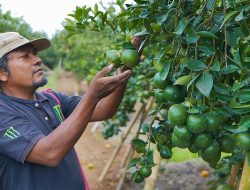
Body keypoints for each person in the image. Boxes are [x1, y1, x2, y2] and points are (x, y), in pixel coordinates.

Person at [0, 32, 137, 190]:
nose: (38, 60)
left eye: (35, 54)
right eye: (25, 56)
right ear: (2, 73)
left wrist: (124, 70)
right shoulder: (3, 113)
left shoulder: (52, 99)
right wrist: (92, 96)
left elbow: (103, 110)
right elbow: (49, 153)